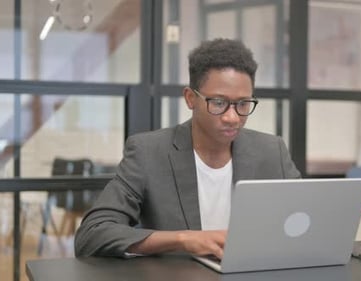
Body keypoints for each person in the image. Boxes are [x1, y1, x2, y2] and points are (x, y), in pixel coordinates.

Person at [74, 38, 301, 258]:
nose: (232, 117)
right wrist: (183, 239)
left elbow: (305, 220)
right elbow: (92, 234)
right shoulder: (148, 152)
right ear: (191, 98)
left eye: (243, 104)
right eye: (219, 103)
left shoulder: (272, 151)